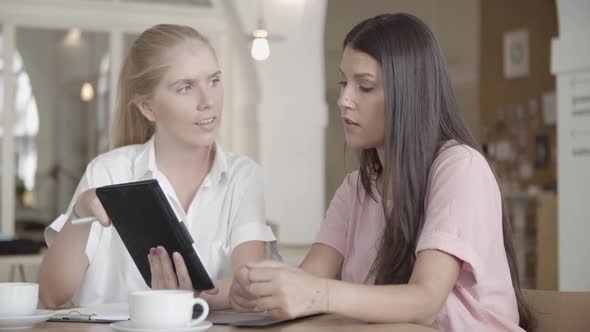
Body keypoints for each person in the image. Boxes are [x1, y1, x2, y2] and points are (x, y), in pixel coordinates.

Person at [230, 13, 532, 331]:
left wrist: (318, 294)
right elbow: (307, 282)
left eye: (365, 86)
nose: (343, 99)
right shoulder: (355, 189)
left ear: (409, 94)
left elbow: (425, 301)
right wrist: (261, 291)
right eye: (343, 83)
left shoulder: (460, 168)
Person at [38, 24, 277, 310]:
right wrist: (83, 208)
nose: (208, 101)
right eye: (185, 87)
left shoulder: (243, 176)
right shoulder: (108, 173)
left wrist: (193, 295)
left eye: (213, 80)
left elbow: (251, 286)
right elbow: (51, 297)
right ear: (148, 108)